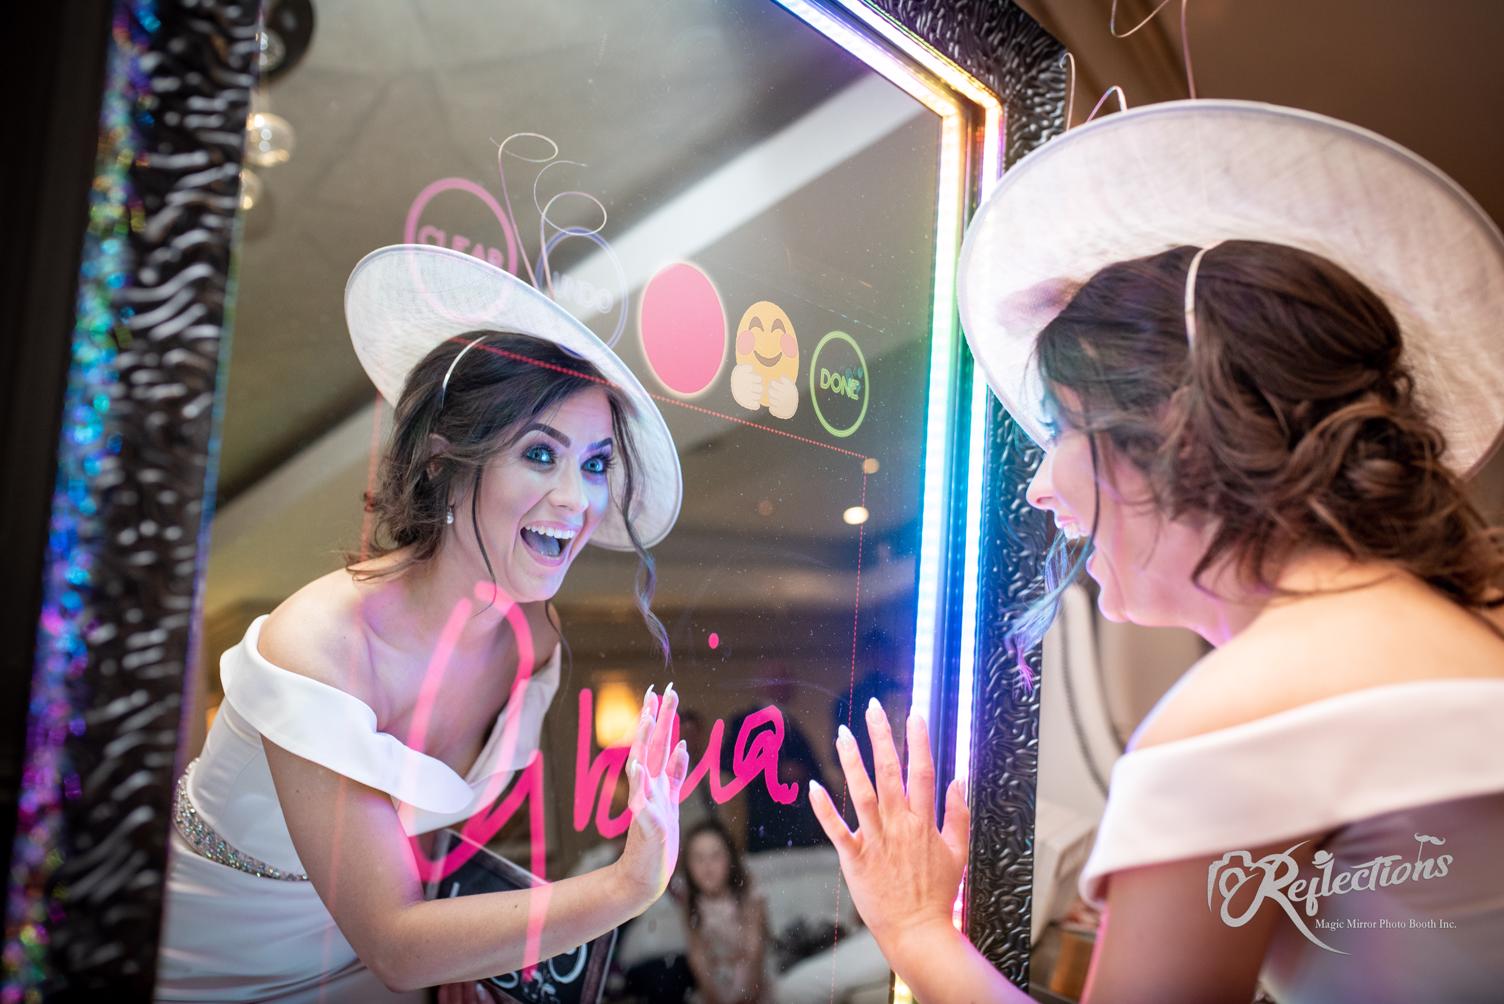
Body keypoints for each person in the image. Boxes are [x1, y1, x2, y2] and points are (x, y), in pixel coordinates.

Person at [808, 100, 1504, 1003]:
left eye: (1060, 425)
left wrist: (912, 931)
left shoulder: (1244, 712)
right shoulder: (1456, 632)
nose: (1039, 484)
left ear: (1174, 430)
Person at [155, 244, 690, 1001]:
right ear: (445, 461)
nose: (577, 499)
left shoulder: (531, 644)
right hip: (211, 974)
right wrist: (629, 884)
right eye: (542, 454)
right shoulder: (319, 647)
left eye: (596, 463)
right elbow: (398, 945)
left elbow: (422, 852)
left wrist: (458, 955)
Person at [679, 818, 772, 1004]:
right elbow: (697, 957)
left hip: (750, 978)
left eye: (715, 856)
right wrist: (712, 995)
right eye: (698, 858)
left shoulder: (747, 895)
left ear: (730, 859)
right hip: (715, 981)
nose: (707, 866)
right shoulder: (691, 901)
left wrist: (745, 996)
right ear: (688, 866)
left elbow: (754, 951)